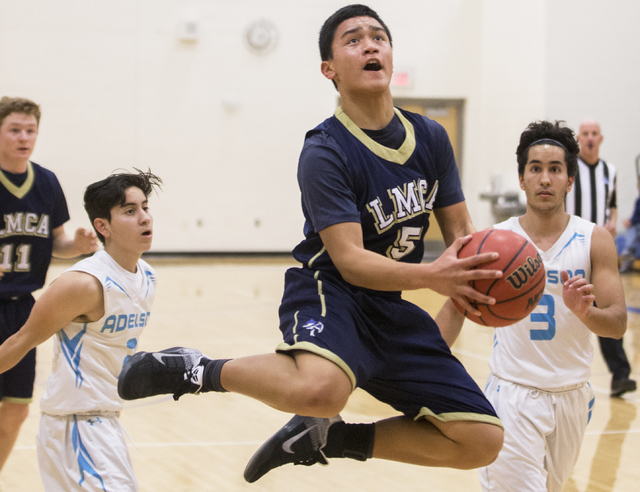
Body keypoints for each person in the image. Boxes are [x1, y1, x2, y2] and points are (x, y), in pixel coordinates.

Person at [117, 4, 505, 485]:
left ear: (390, 54)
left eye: (378, 37)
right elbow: (351, 260)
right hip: (332, 289)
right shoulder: (325, 149)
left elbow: (464, 242)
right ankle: (196, 370)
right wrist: (434, 277)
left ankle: (328, 440)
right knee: (322, 390)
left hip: (391, 306)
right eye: (353, 39)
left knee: (480, 442)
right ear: (330, 69)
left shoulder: (430, 136)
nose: (369, 44)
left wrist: (486, 281)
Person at [438, 120, 627, 492]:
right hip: (513, 395)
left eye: (555, 169)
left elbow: (618, 323)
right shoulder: (495, 241)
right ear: (521, 179)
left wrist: (585, 312)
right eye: (535, 169)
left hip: (572, 397)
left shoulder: (594, 240)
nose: (545, 178)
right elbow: (457, 306)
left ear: (569, 179)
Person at [0, 169, 161, 491]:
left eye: (145, 207)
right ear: (103, 226)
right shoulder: (82, 284)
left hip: (106, 423)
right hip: (75, 427)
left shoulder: (147, 276)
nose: (144, 218)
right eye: (130, 211)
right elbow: (20, 341)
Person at [0, 96, 99, 473]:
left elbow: (55, 242)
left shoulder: (46, 182)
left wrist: (79, 246)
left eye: (30, 130)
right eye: (14, 129)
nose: (24, 137)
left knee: (16, 409)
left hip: (25, 308)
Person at [565, 119, 635, 398]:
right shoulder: (570, 170)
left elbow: (613, 203)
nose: (590, 138)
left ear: (601, 139)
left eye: (594, 134)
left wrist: (613, 221)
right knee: (575, 309)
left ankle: (621, 376)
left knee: (607, 309)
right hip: (572, 245)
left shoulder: (610, 170)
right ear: (579, 138)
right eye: (585, 134)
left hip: (600, 248)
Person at [618, 177, 640, 273]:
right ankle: (626, 266)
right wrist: (630, 221)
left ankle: (626, 266)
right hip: (635, 226)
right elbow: (636, 215)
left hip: (636, 226)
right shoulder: (638, 200)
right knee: (630, 246)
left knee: (630, 245)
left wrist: (631, 222)